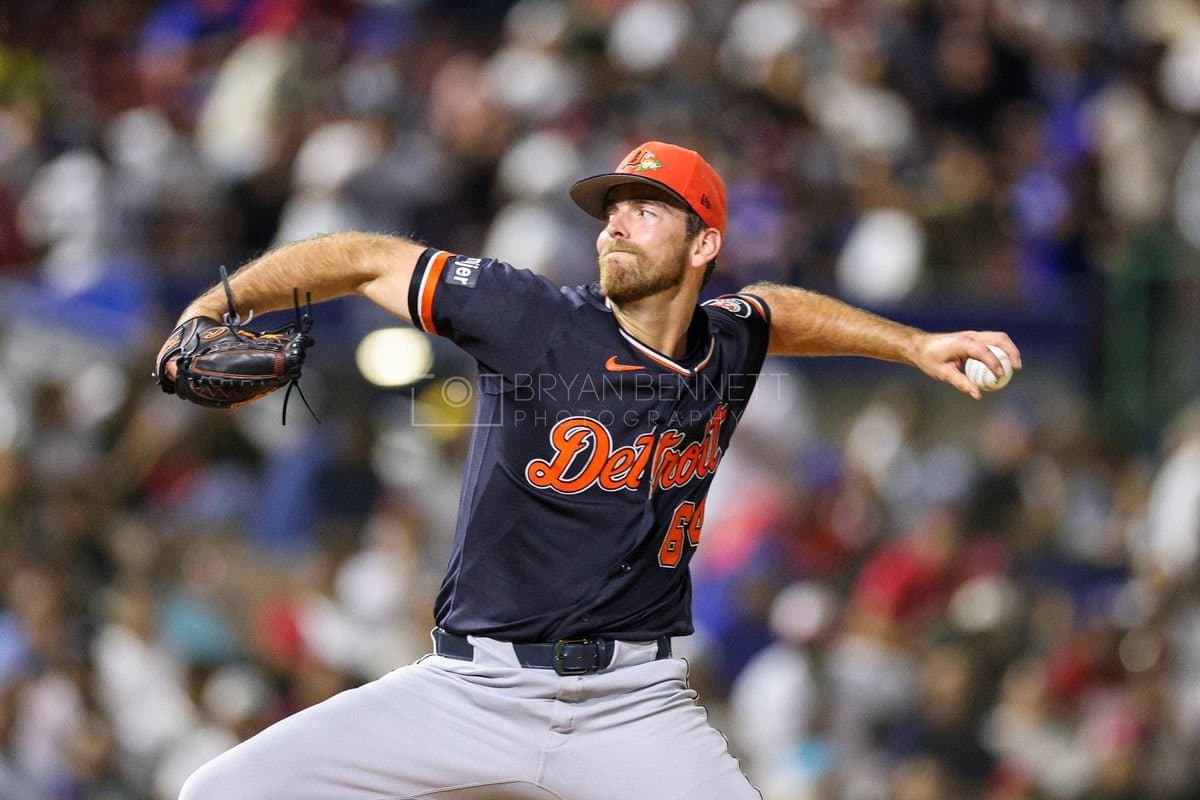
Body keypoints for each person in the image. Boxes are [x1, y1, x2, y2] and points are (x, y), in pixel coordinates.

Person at [164, 141, 1021, 800]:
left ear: (702, 242)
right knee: (220, 791)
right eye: (612, 208)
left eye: (647, 209)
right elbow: (363, 256)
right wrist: (213, 308)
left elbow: (778, 311)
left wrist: (912, 344)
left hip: (634, 703)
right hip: (475, 686)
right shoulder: (530, 316)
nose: (615, 221)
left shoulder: (727, 344)